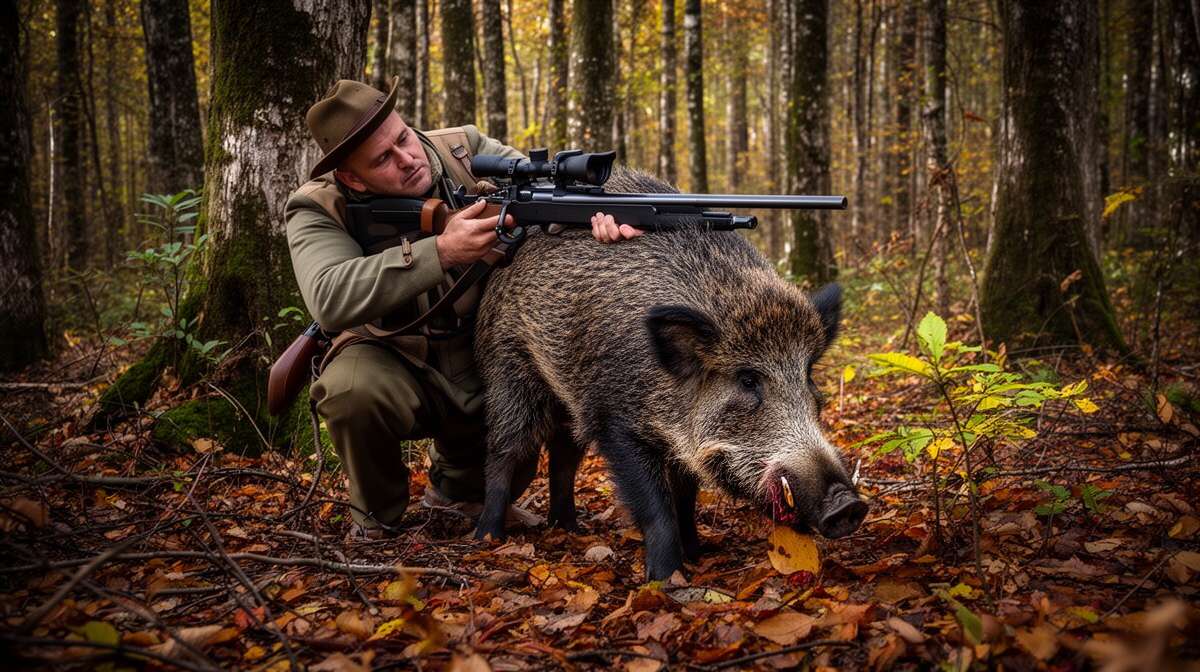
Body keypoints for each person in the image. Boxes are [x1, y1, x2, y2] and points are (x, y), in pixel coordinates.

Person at [285, 77, 640, 539]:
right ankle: (376, 518)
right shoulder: (317, 208)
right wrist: (441, 252)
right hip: (394, 360)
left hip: (482, 357)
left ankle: (458, 495)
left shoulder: (464, 150)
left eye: (404, 138)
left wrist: (600, 217)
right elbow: (329, 297)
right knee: (351, 391)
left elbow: (552, 194)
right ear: (351, 177)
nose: (408, 159)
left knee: (516, 438)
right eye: (383, 160)